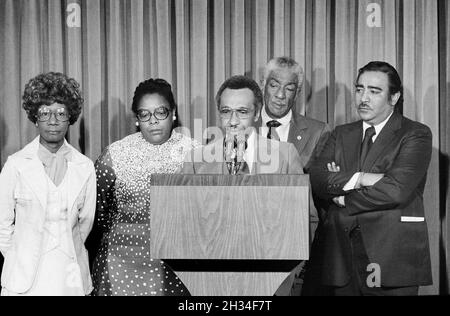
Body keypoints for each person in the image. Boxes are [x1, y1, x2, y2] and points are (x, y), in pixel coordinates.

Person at [306, 61, 433, 295]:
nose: (363, 98)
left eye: (374, 91)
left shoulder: (415, 133)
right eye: (359, 89)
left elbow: (396, 190)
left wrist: (343, 196)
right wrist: (361, 178)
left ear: (394, 98)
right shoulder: (341, 133)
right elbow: (317, 177)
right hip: (339, 257)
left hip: (392, 256)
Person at [181, 75, 306, 296]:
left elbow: (304, 221)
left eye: (242, 112)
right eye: (226, 111)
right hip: (211, 284)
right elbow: (185, 226)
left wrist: (287, 279)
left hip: (273, 283)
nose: (233, 121)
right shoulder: (196, 159)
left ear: (257, 113)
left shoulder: (285, 155)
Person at [91, 78, 200, 296]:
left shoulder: (196, 153)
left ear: (173, 113)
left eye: (161, 112)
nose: (153, 121)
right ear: (137, 119)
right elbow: (97, 211)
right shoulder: (115, 154)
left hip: (177, 265)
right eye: (144, 114)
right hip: (119, 261)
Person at [0, 72, 96, 296]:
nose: (53, 121)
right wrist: (19, 256)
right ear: (35, 117)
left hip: (69, 274)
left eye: (61, 113)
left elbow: (86, 223)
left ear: (70, 117)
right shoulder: (15, 165)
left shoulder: (85, 167)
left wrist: (65, 248)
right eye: (45, 113)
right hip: (24, 279)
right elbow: (2, 225)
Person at [258, 57, 330, 295]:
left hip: (296, 246)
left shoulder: (319, 131)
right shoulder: (242, 125)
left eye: (289, 88)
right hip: (249, 240)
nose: (280, 94)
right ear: (262, 85)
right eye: (274, 85)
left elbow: (320, 195)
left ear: (297, 92)